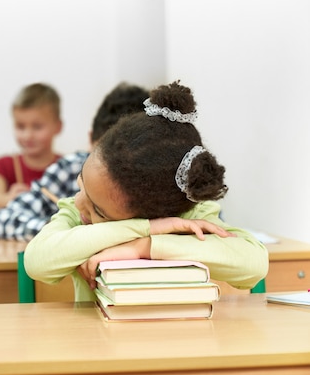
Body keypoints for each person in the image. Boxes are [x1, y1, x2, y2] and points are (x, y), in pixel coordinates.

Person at [24, 81, 269, 302]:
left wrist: (143, 246)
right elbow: (37, 262)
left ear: (153, 213)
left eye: (98, 210)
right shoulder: (78, 215)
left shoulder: (191, 218)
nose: (79, 202)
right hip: (100, 346)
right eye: (81, 184)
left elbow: (254, 264)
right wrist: (147, 228)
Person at [0, 82, 150, 241]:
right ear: (90, 140)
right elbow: (5, 219)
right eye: (101, 157)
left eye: (121, 166)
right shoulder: (69, 169)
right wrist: (60, 233)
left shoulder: (158, 183)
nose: (109, 172)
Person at [0, 83, 63, 208]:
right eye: (20, 126)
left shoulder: (67, 167)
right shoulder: (2, 166)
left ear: (58, 127)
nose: (28, 136)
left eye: (37, 127)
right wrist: (9, 198)